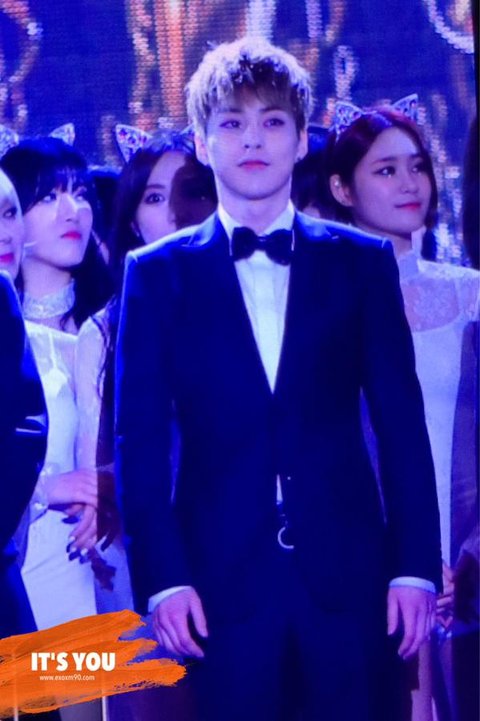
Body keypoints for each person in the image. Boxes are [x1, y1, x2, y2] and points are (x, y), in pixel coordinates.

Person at [116, 37, 442, 721]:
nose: (252, 139)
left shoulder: (361, 263)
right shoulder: (155, 274)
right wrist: (164, 579)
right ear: (202, 142)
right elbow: (138, 444)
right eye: (231, 122)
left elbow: (402, 427)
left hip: (352, 579)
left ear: (300, 141)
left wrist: (415, 565)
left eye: (272, 121)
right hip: (217, 587)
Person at [326, 105, 479, 721]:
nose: (410, 183)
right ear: (342, 189)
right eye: (386, 170)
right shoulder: (325, 306)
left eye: (417, 166)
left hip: (469, 549)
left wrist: (468, 556)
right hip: (373, 557)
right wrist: (405, 559)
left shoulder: (470, 294)